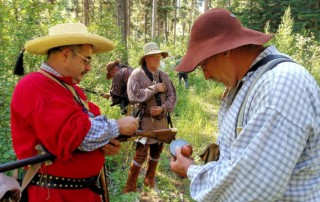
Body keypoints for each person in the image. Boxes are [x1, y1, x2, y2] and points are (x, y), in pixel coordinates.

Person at [171, 8, 320, 201]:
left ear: (225, 51)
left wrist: (190, 170)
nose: (206, 76)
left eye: (204, 65)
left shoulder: (279, 84)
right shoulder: (251, 82)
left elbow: (252, 188)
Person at [10, 22, 139, 202]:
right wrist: (117, 126)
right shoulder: (34, 85)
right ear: (66, 54)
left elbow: (91, 122)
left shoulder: (70, 88)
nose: (89, 67)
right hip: (54, 196)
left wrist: (105, 142)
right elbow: (77, 135)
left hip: (83, 193)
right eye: (86, 60)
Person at [123, 42, 177, 193]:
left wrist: (163, 108)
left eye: (159, 57)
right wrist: (154, 88)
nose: (158, 59)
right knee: (140, 154)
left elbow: (172, 96)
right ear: (146, 58)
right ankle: (129, 188)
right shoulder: (136, 75)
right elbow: (133, 96)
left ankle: (150, 182)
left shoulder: (164, 76)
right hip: (144, 122)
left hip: (162, 121)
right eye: (154, 57)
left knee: (157, 152)